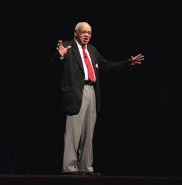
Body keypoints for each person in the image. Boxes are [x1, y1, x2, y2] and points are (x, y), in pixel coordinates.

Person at [51, 21, 144, 175]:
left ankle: (85, 167)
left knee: (88, 131)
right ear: (76, 33)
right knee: (73, 132)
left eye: (89, 33)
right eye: (83, 32)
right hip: (76, 92)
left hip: (91, 91)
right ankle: (69, 167)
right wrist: (59, 57)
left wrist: (127, 63)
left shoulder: (92, 50)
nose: (87, 35)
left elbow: (106, 65)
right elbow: (52, 67)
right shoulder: (67, 46)